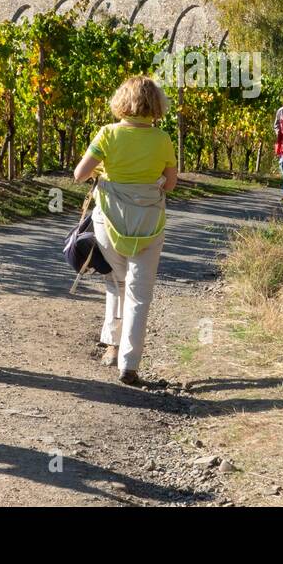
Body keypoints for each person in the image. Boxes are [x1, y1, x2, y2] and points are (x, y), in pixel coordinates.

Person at [73, 76, 177, 387]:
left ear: (123, 101)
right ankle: (129, 365)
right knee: (138, 293)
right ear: (155, 105)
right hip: (148, 223)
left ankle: (111, 346)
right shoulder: (163, 140)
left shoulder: (107, 134)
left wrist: (105, 172)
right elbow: (170, 184)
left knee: (115, 282)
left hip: (110, 222)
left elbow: (80, 175)